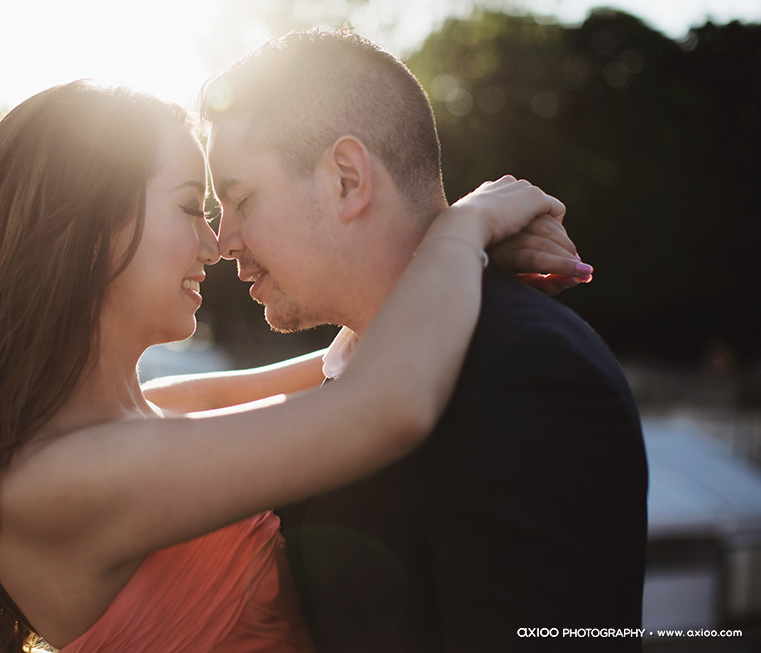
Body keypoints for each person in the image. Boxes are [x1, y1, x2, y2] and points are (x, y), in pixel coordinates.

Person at [0, 79, 580, 653]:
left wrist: (455, 249)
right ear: (90, 230)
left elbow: (352, 355)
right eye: (190, 207)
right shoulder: (59, 478)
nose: (215, 242)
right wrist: (466, 228)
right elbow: (390, 404)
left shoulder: (162, 407)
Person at [185, 29, 648, 652]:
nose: (224, 241)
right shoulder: (360, 361)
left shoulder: (528, 374)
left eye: (240, 200)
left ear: (348, 179)